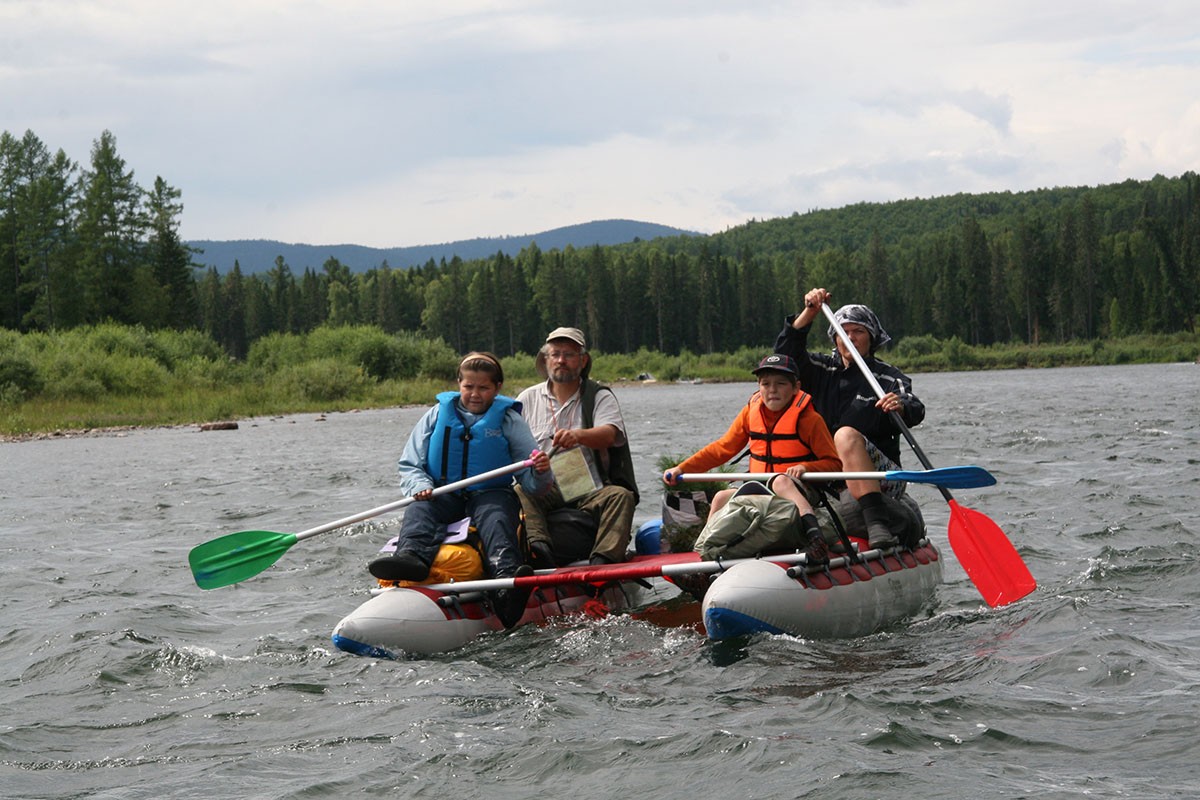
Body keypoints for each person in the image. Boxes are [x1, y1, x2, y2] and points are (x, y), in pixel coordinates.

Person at [367, 351, 553, 627]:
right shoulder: (436, 414)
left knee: (496, 518)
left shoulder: (508, 420)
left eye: (483, 388)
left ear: (497, 388)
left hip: (490, 493)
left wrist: (541, 470)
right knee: (420, 509)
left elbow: (532, 481)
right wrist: (420, 485)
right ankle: (411, 558)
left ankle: (506, 579)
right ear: (459, 384)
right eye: (469, 386)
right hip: (444, 492)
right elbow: (410, 463)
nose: (475, 394)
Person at [773, 287, 926, 549]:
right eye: (843, 332)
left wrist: (900, 405)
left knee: (845, 435)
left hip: (882, 476)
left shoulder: (888, 377)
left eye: (858, 331)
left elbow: (915, 408)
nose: (850, 337)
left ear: (871, 338)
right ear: (835, 338)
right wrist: (810, 312)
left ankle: (877, 524)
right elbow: (785, 356)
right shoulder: (822, 369)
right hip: (828, 473)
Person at [662, 353, 843, 564]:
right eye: (765, 384)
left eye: (781, 384)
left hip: (799, 489)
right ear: (759, 387)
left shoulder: (809, 419)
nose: (772, 390)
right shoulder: (751, 412)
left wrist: (805, 467)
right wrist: (682, 469)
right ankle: (704, 555)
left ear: (796, 388)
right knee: (720, 497)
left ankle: (816, 539)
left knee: (780, 481)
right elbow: (723, 448)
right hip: (761, 487)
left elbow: (834, 464)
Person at [515, 327, 639, 567]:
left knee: (622, 496)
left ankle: (602, 560)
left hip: (589, 486)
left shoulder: (599, 396)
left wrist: (578, 436)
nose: (561, 360)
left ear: (583, 361)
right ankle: (538, 548)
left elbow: (609, 434)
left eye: (569, 354)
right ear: (546, 360)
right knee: (521, 488)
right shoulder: (526, 399)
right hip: (546, 484)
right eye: (555, 354)